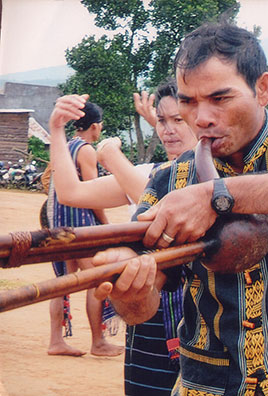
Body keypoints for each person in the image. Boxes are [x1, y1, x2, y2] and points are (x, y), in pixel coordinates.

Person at [88, 21, 268, 395]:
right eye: (188, 101)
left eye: (219, 98)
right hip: (208, 384)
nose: (202, 118)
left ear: (262, 89)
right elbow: (141, 308)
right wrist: (129, 292)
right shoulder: (169, 180)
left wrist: (216, 196)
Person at [50, 80, 197, 395]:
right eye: (161, 120)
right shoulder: (153, 170)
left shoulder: (219, 179)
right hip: (147, 323)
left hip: (198, 332)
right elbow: (70, 191)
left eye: (178, 120)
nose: (168, 129)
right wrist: (58, 130)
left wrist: (110, 155)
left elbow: (158, 199)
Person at [45, 101, 124, 357]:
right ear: (94, 126)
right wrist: (106, 226)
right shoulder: (86, 150)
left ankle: (56, 340)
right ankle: (98, 342)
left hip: (59, 223)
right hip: (81, 226)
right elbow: (93, 194)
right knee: (97, 279)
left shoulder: (64, 145)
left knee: (62, 283)